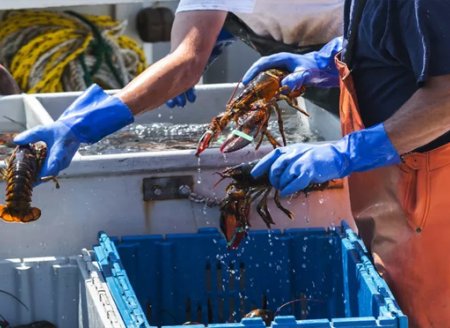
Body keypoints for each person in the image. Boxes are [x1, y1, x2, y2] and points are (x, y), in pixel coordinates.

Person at [242, 0, 450, 326]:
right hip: (394, 214)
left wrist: (347, 153)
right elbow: (390, 38)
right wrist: (325, 61)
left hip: (434, 213)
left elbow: (445, 102)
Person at [12, 0, 344, 178]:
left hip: (367, 65)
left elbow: (185, 65)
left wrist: (82, 126)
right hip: (315, 82)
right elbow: (182, 58)